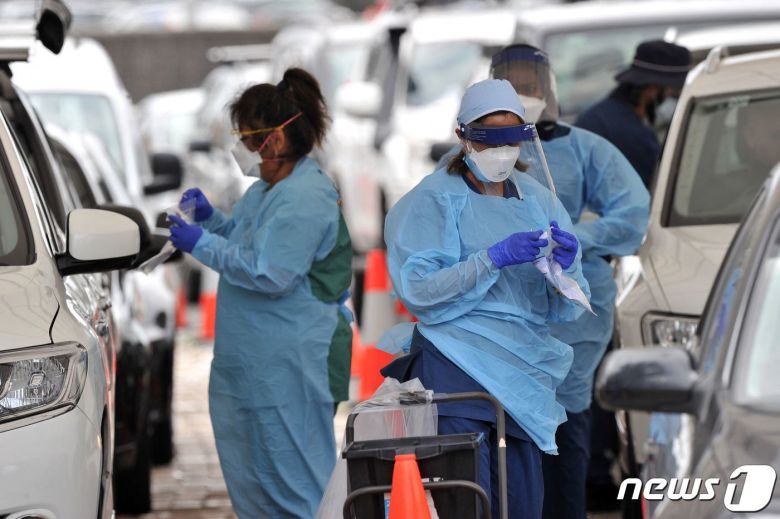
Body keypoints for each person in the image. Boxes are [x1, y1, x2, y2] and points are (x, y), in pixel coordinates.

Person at [382, 78, 590, 519]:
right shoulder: (434, 201)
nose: (501, 152)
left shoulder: (538, 200)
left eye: (511, 139)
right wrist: (491, 258)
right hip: (458, 369)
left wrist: (565, 269)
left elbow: (566, 306)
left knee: (522, 505)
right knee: (468, 502)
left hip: (521, 378)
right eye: (489, 139)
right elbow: (419, 290)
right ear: (463, 137)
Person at [166, 68, 353, 518]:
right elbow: (249, 241)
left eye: (249, 138)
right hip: (262, 364)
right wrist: (212, 222)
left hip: (292, 364)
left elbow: (271, 273)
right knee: (259, 478)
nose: (242, 149)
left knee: (297, 480)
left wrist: (201, 244)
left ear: (276, 140)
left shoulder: (305, 197)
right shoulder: (269, 190)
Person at [487, 44, 650, 518]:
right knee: (511, 437)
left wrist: (576, 236)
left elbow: (631, 215)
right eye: (511, 87)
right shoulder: (477, 158)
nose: (523, 95)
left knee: (565, 426)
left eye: (530, 87)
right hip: (503, 317)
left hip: (572, 318)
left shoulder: (583, 149)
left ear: (548, 90)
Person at [575, 40, 691, 189]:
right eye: (672, 92)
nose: (671, 99)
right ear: (652, 90)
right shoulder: (632, 135)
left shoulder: (598, 116)